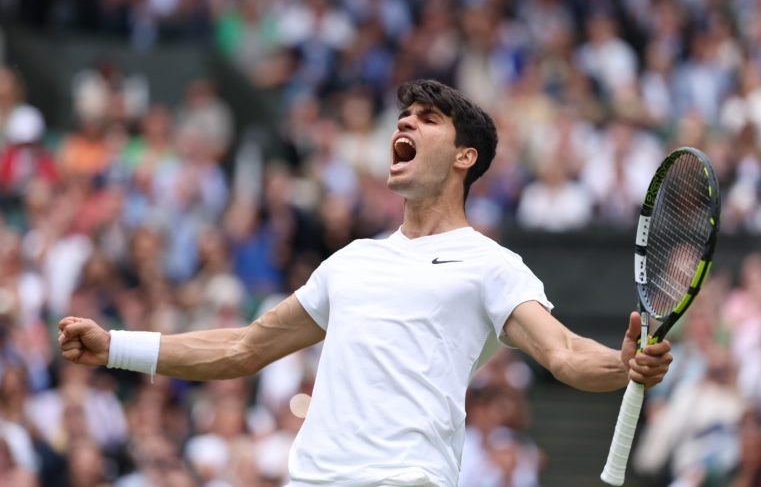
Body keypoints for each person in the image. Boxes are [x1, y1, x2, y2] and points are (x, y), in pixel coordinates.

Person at [57, 79, 673, 487]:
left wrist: (622, 366)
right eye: (403, 117)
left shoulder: (491, 264)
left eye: (427, 120)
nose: (403, 125)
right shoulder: (351, 261)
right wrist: (116, 347)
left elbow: (562, 351)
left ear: (464, 158)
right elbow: (244, 348)